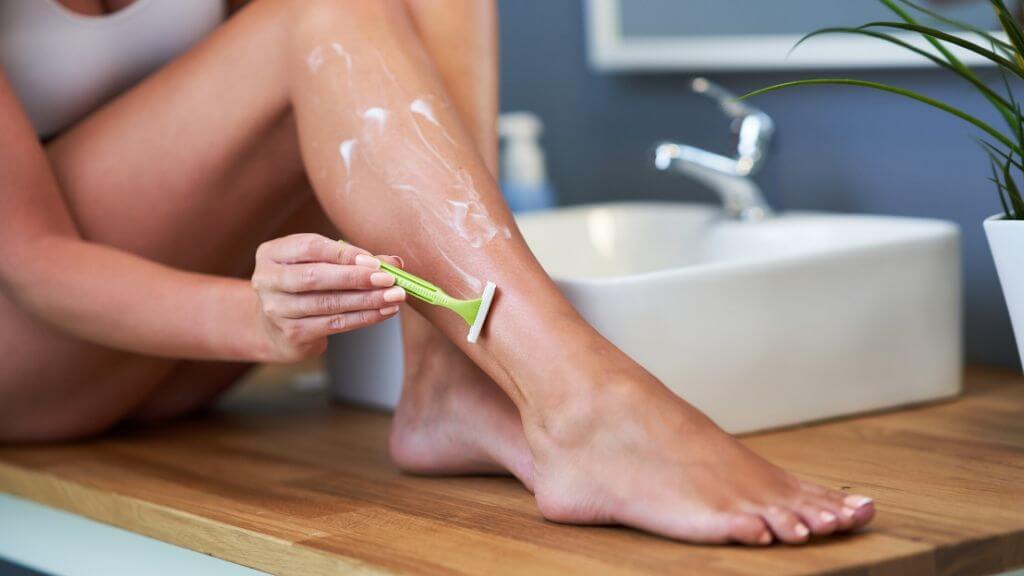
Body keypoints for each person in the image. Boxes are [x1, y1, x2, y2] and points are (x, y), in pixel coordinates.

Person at [0, 0, 875, 545]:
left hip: (184, 365)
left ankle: (449, 380)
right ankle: (585, 402)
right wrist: (251, 320)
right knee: (321, 13)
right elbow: (32, 260)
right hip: (43, 353)